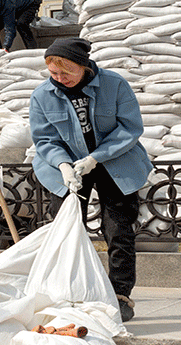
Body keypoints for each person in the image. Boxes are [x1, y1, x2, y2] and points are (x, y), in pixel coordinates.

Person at [28, 37, 153, 322]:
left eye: (67, 72)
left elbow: (130, 127)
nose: (61, 79)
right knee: (67, 231)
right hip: (67, 166)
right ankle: (68, 293)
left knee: (118, 229)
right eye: (54, 73)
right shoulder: (42, 95)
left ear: (84, 66)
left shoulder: (114, 84)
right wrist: (62, 164)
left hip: (114, 160)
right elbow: (45, 139)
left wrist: (95, 158)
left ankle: (120, 295)